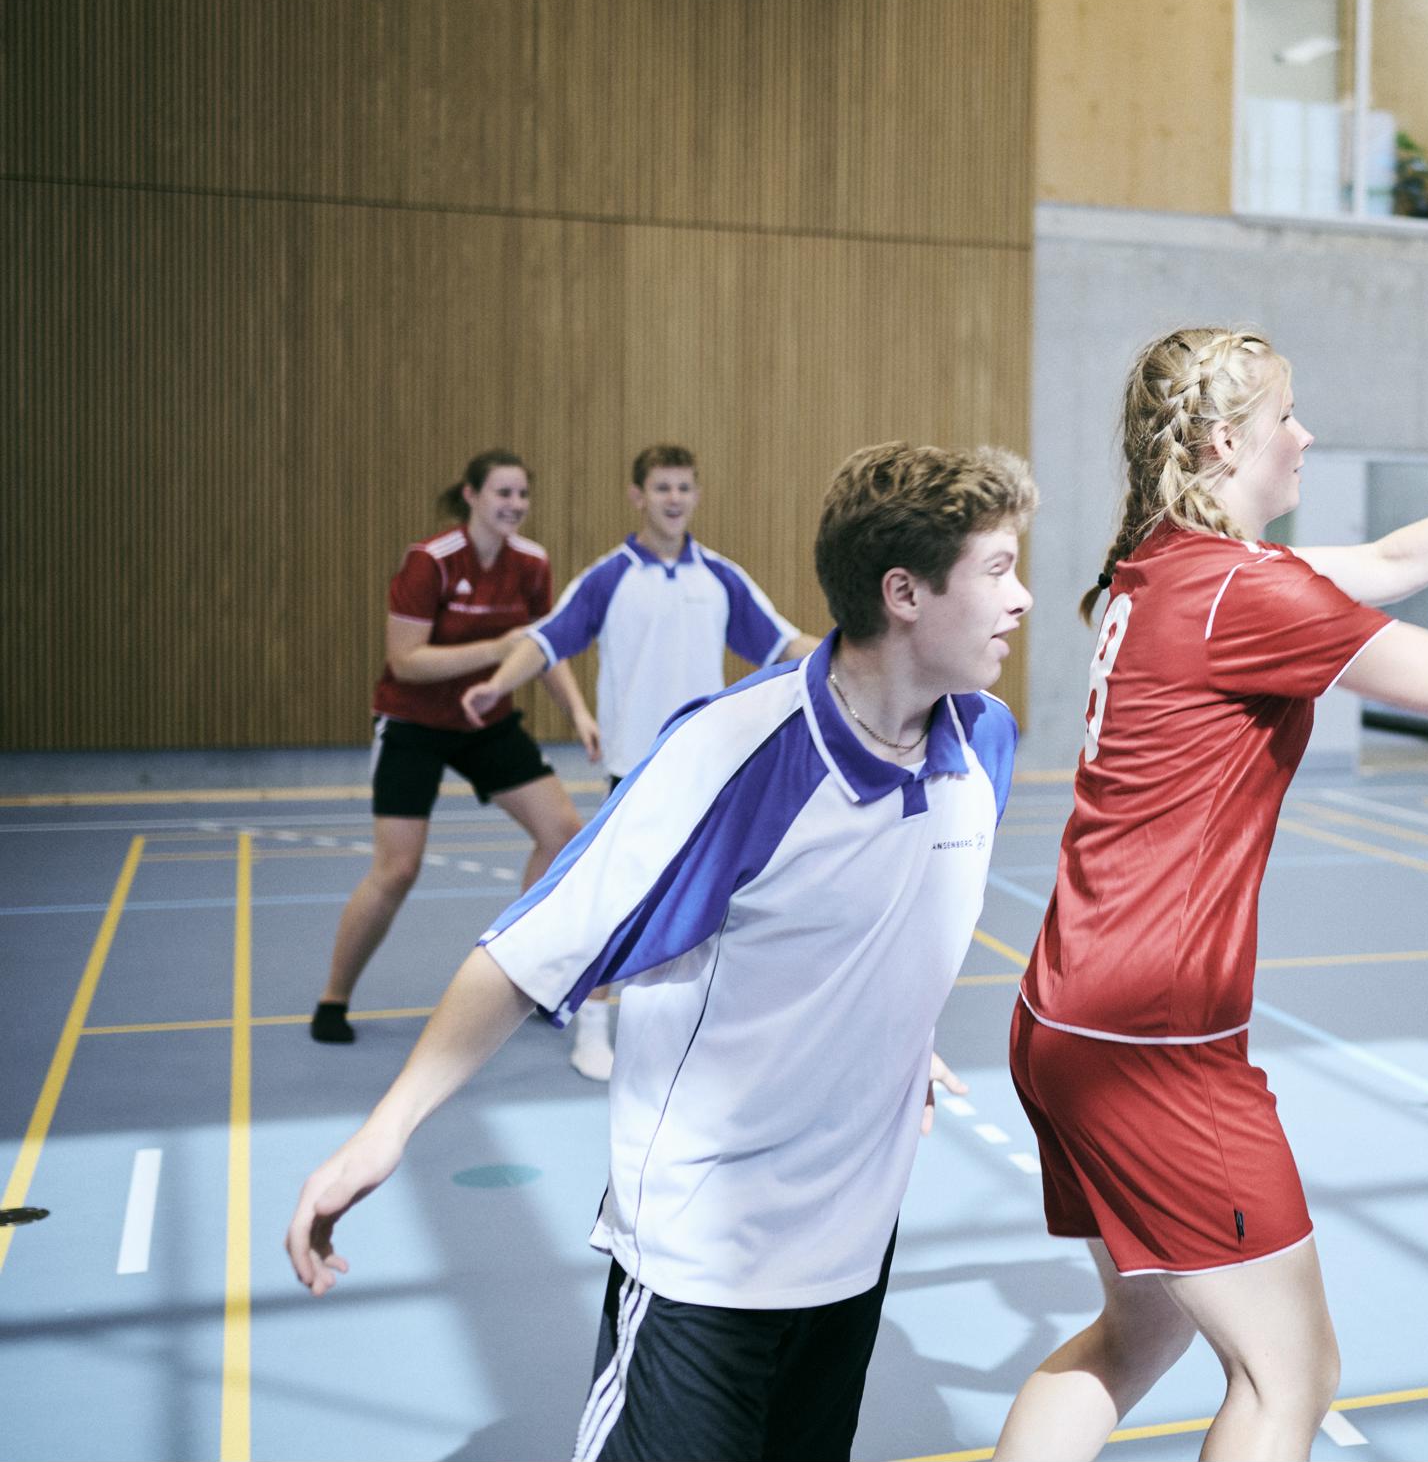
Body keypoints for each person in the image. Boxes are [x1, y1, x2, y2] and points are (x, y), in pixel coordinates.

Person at [284, 441, 1035, 1462]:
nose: (1024, 597)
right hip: (704, 1263)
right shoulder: (734, 759)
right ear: (902, 592)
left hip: (855, 1252)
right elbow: (527, 949)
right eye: (998, 569)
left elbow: (882, 911)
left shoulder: (983, 741)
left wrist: (892, 1028)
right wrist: (386, 1128)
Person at [993, 327, 1428, 1460]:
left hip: (1064, 1017)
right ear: (1222, 442)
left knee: (1139, 1328)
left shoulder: (1162, 562)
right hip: (1157, 1044)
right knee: (1290, 1375)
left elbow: (1400, 558)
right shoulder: (1242, 593)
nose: (1305, 436)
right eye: (1284, 419)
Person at [459, 443, 822, 1078]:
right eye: (661, 488)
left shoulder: (720, 577)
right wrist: (498, 684)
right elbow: (546, 639)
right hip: (637, 769)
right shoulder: (609, 577)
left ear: (697, 495)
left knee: (715, 901)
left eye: (684, 487)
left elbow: (784, 642)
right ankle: (592, 1024)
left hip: (711, 768)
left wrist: (862, 657)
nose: (674, 499)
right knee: (620, 899)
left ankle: (693, 1021)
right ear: (637, 497)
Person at [312, 451, 590, 1045]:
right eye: (502, 493)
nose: (514, 505)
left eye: (522, 494)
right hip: (413, 723)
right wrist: (497, 649)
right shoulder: (430, 562)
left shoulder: (532, 563)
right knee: (398, 869)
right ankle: (333, 998)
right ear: (470, 495)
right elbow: (405, 662)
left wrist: (580, 714)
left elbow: (542, 649)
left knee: (562, 831)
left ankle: (526, 974)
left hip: (485, 721)